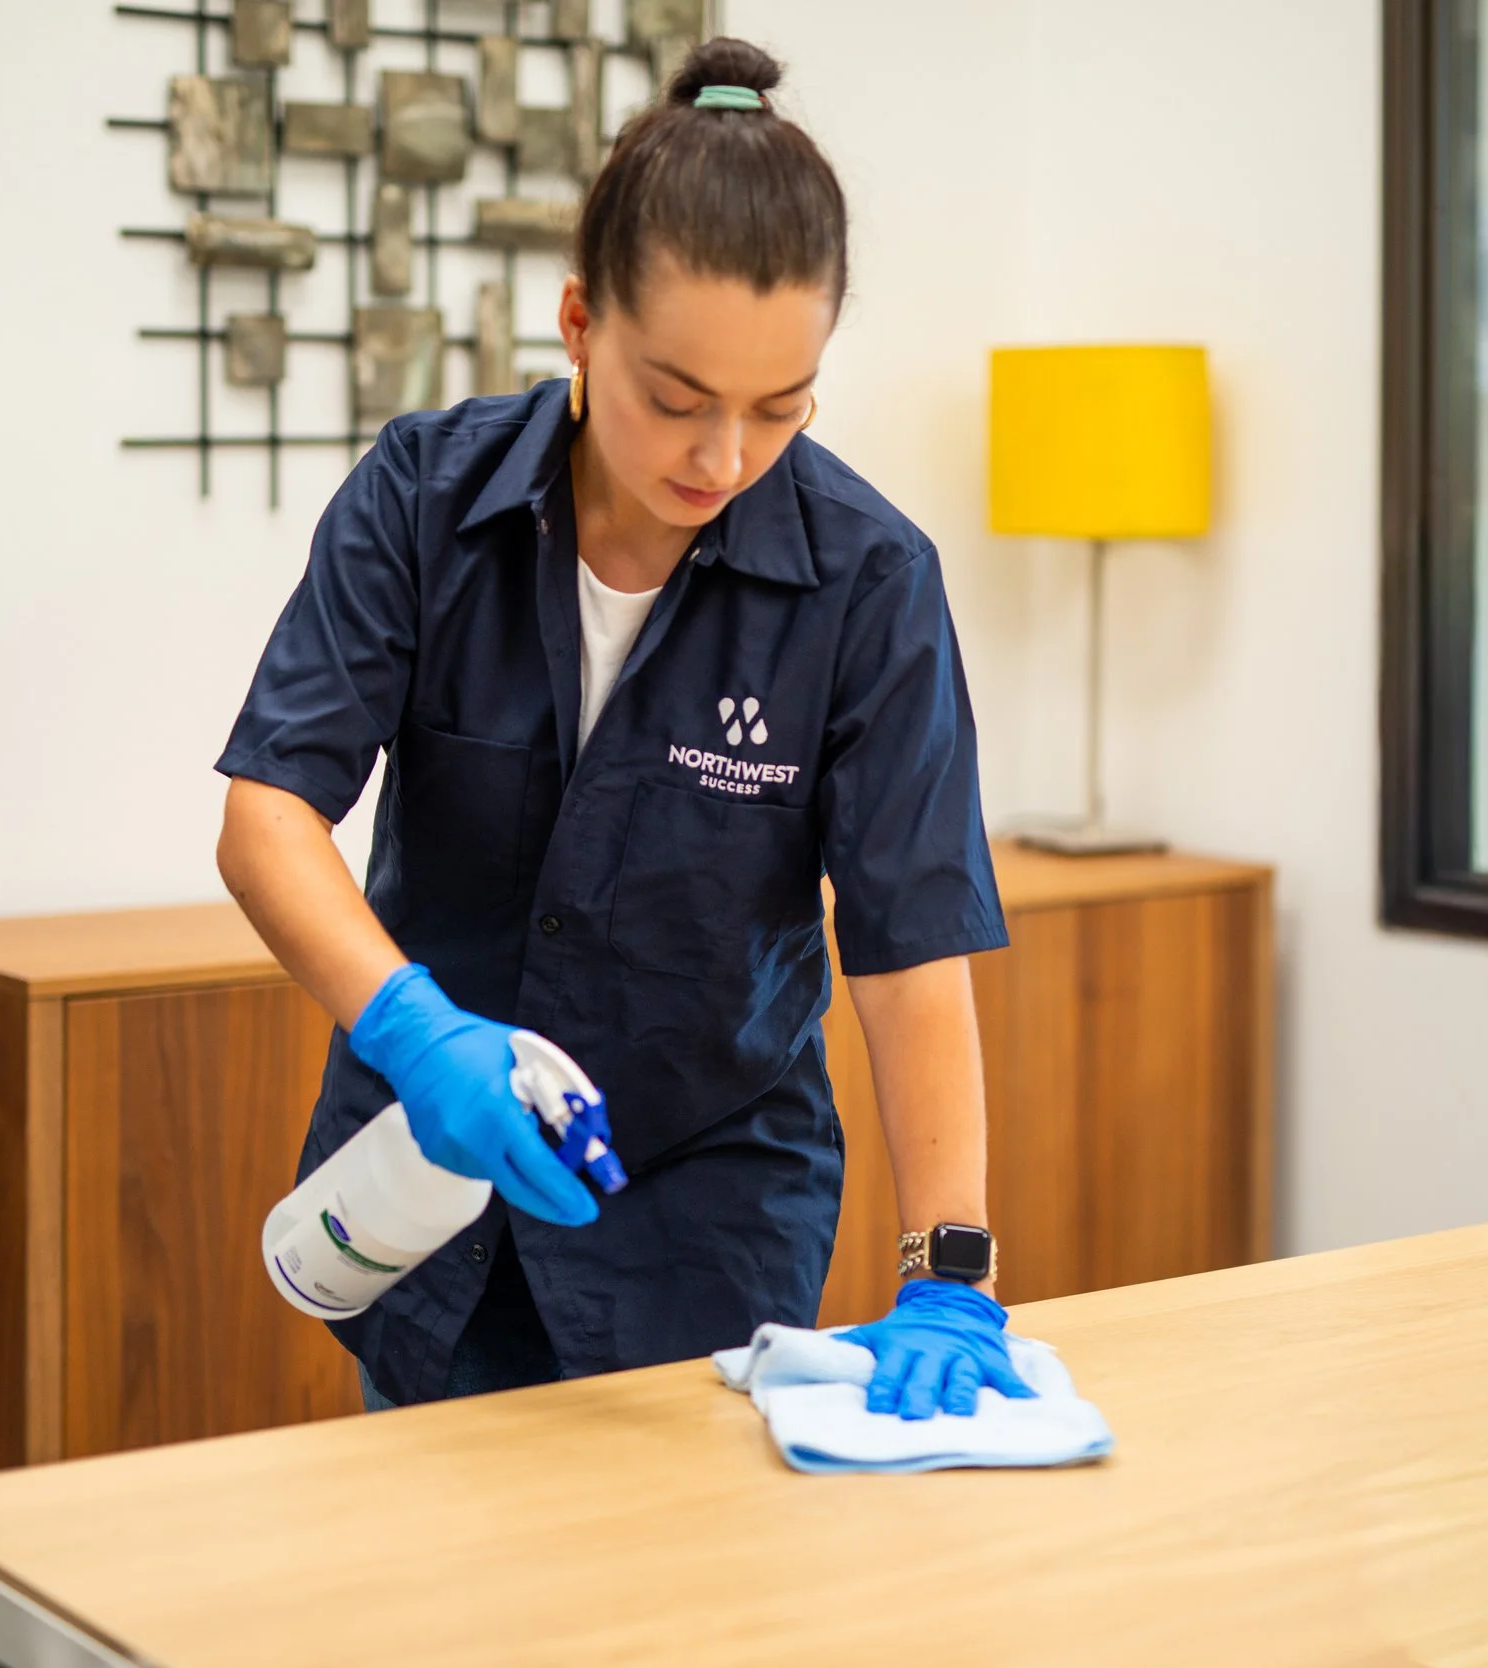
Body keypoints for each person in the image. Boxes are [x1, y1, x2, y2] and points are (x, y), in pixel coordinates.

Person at [214, 38, 1030, 1421]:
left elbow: (909, 944)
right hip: (429, 1172)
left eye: (779, 409)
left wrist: (949, 1267)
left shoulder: (870, 584)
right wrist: (415, 1033)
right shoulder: (424, 501)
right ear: (582, 324)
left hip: (704, 1216)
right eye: (677, 398)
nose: (722, 459)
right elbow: (268, 817)